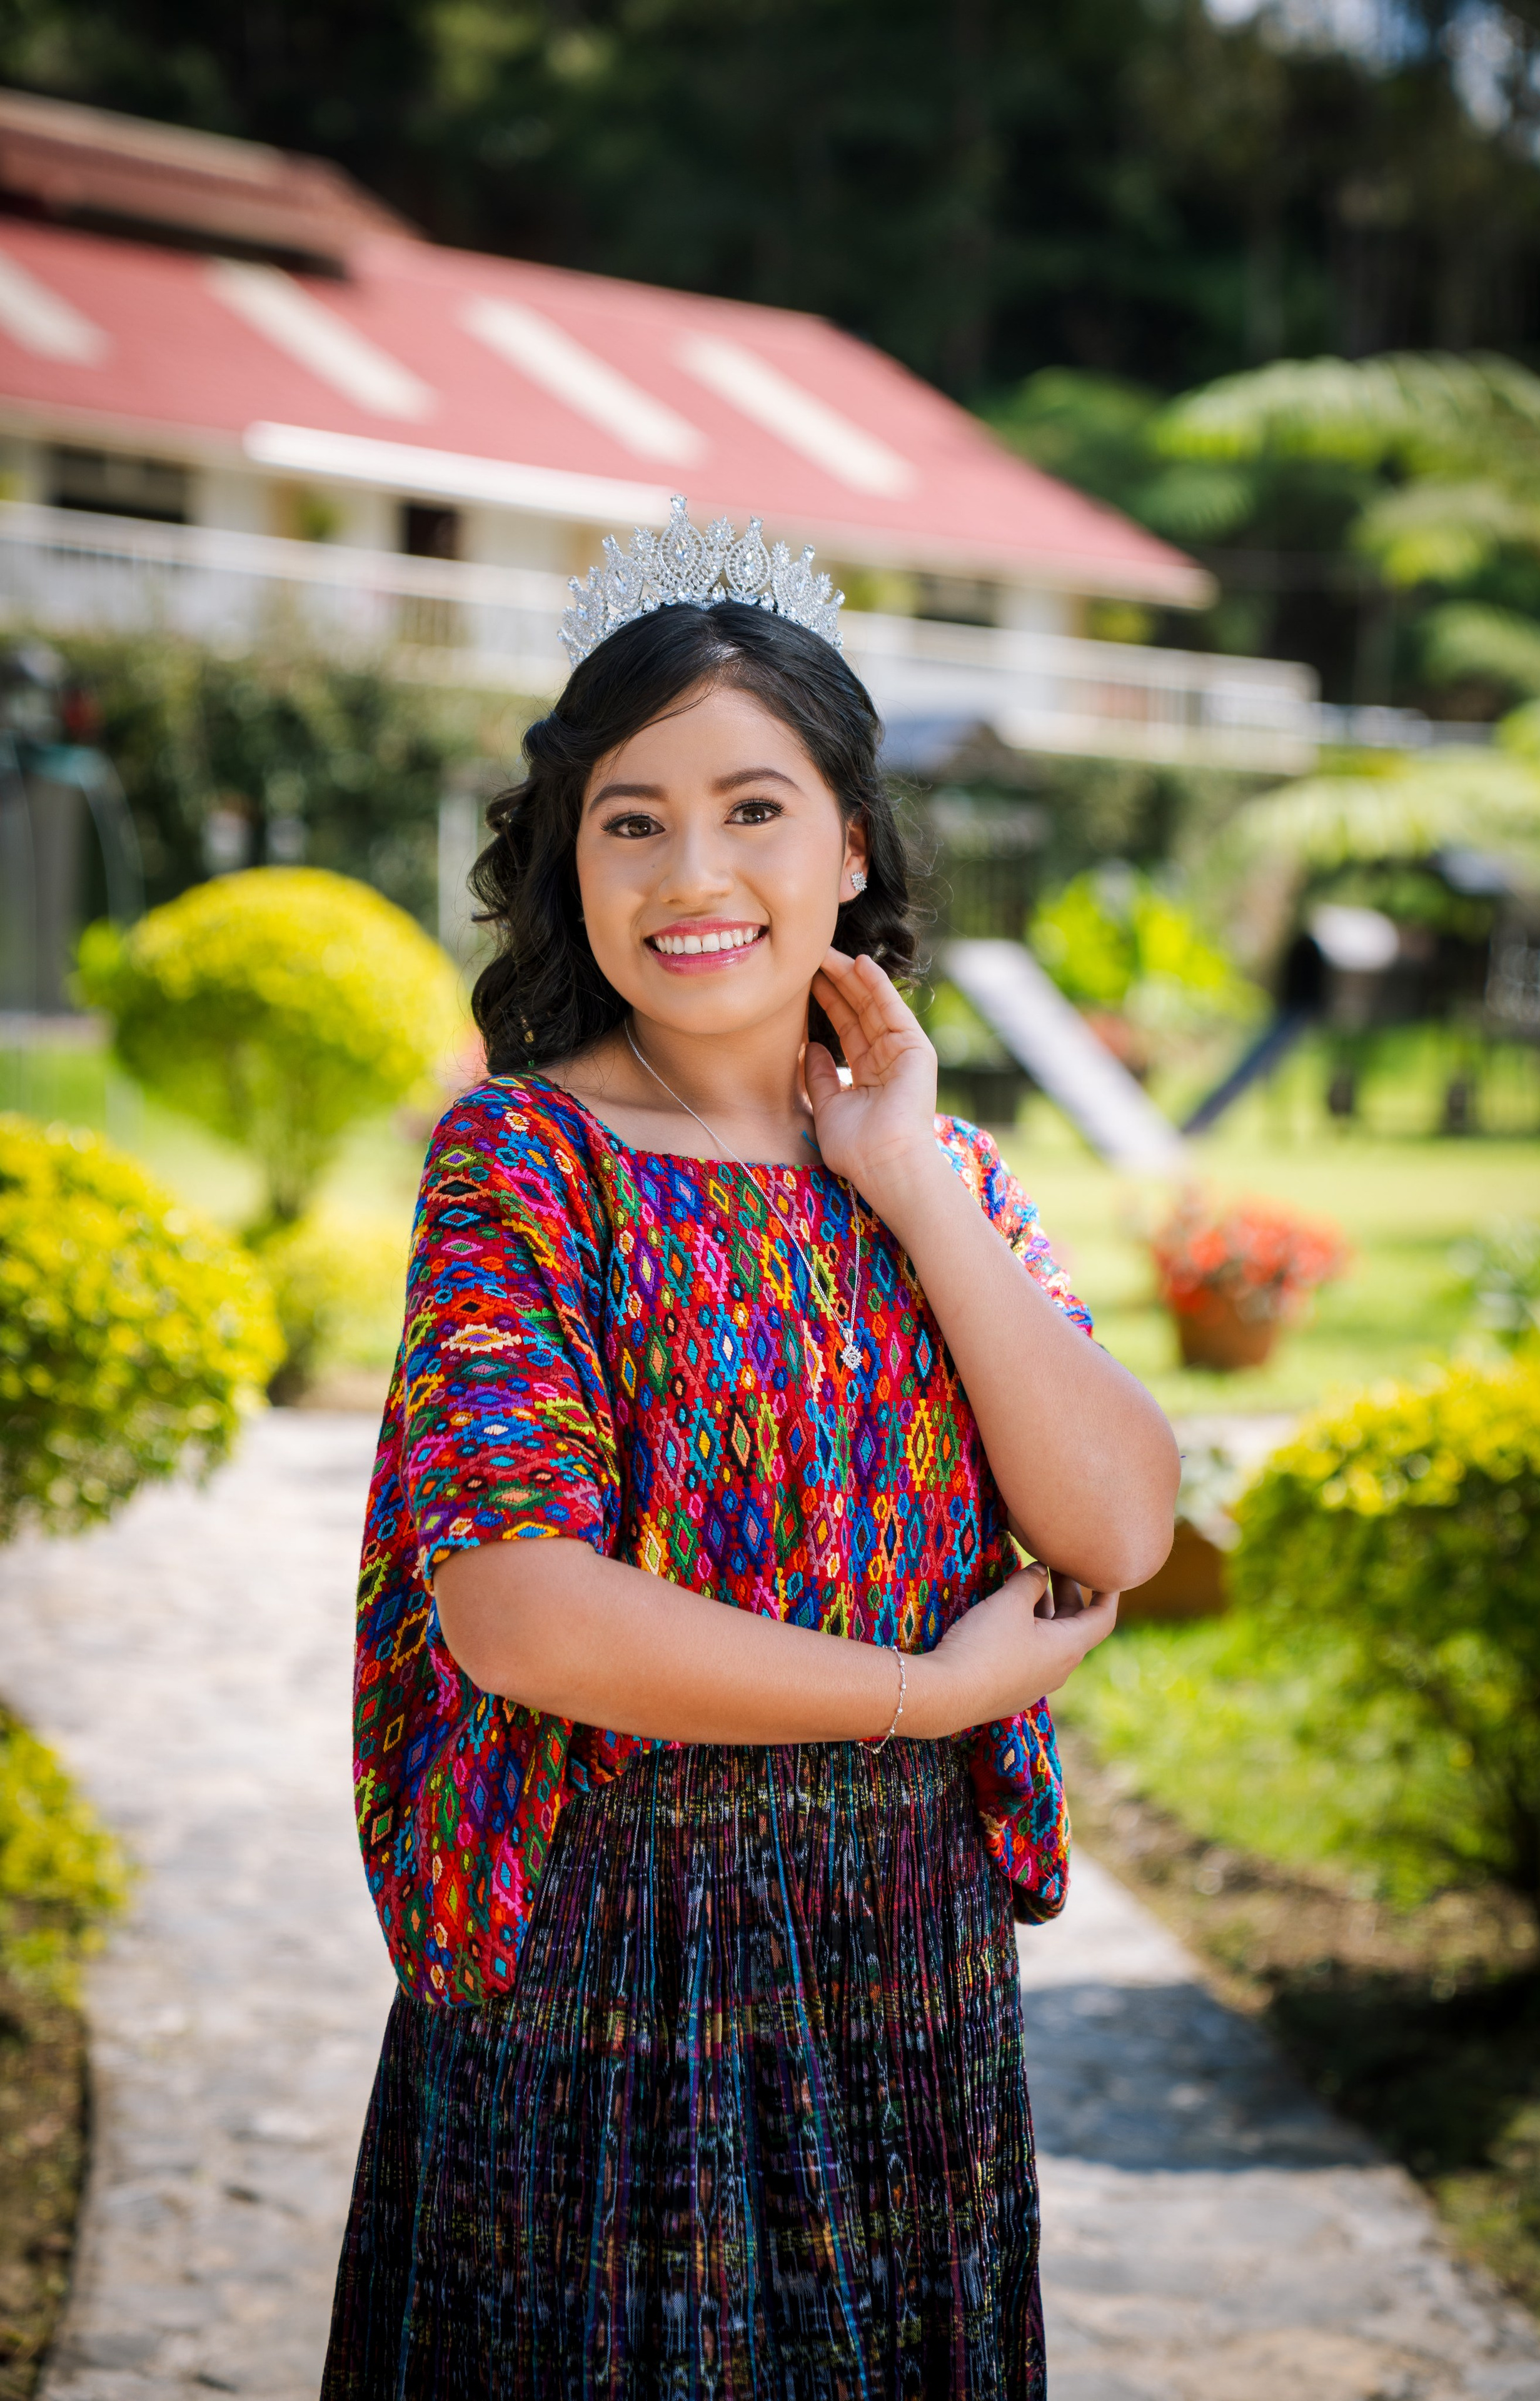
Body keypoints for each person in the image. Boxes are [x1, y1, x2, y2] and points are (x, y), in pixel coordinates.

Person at [323, 505, 1179, 2400]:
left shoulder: (936, 1173)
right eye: (631, 818)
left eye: (755, 807)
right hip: (617, 1972)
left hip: (913, 1979)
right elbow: (522, 1613)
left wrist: (906, 1175)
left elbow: (1118, 1518)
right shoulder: (526, 1165)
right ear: (569, 855)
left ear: (852, 843)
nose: (690, 869)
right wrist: (917, 1696)